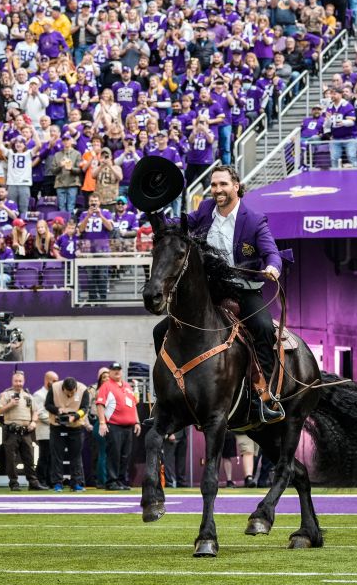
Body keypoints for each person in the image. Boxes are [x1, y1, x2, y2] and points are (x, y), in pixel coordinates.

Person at [152, 164, 285, 423]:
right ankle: (164, 398)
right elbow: (175, 226)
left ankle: (264, 397)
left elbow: (272, 252)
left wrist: (272, 267)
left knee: (263, 327)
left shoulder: (255, 220)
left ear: (236, 187)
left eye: (223, 184)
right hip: (209, 290)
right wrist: (153, 214)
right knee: (159, 331)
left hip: (243, 289)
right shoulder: (204, 210)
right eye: (213, 185)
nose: (217, 190)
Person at [0, 370, 46, 491]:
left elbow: (35, 411)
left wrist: (33, 422)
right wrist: (10, 404)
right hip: (11, 432)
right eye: (16, 381)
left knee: (29, 458)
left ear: (24, 381)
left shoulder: (28, 396)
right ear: (12, 381)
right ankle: (14, 483)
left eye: (20, 381)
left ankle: (33, 483)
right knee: (11, 460)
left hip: (26, 432)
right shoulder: (6, 395)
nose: (18, 383)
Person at [95, 362, 141, 490]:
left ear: (122, 371)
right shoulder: (106, 386)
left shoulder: (127, 386)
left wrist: (137, 422)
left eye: (119, 369)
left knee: (125, 455)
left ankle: (120, 480)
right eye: (114, 370)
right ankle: (111, 481)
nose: (117, 372)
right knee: (114, 454)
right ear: (109, 372)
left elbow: (133, 405)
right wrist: (102, 422)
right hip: (114, 425)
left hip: (128, 426)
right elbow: (100, 404)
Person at [45, 376, 91, 491]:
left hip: (75, 427)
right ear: (63, 388)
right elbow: (47, 405)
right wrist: (57, 410)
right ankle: (57, 483)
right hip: (57, 426)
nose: (70, 395)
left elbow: (85, 408)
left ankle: (76, 483)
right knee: (57, 456)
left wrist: (75, 416)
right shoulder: (54, 388)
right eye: (67, 393)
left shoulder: (83, 389)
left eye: (72, 392)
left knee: (76, 456)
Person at [31, 370, 58, 491]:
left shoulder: (56, 394)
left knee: (53, 457)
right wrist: (55, 421)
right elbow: (40, 413)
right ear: (47, 380)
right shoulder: (39, 395)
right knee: (44, 456)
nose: (56, 383)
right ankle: (40, 480)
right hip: (44, 431)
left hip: (54, 431)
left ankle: (50, 480)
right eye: (54, 381)